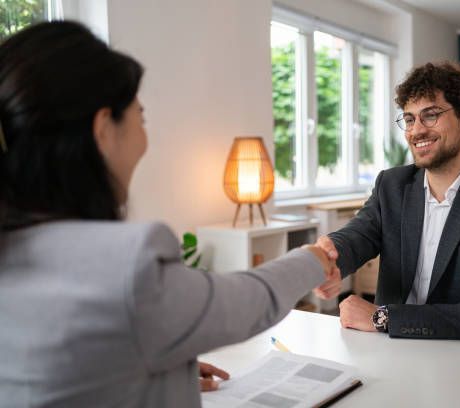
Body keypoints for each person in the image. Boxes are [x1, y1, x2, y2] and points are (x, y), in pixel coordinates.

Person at [0, 21, 333, 407]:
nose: (144, 135)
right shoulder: (125, 265)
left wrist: (150, 370)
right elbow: (248, 303)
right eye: (140, 116)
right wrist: (312, 258)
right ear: (104, 129)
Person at [314, 61, 460, 342]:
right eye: (409, 119)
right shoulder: (391, 185)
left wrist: (382, 318)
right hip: (390, 352)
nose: (416, 130)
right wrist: (330, 255)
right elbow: (359, 235)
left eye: (430, 115)